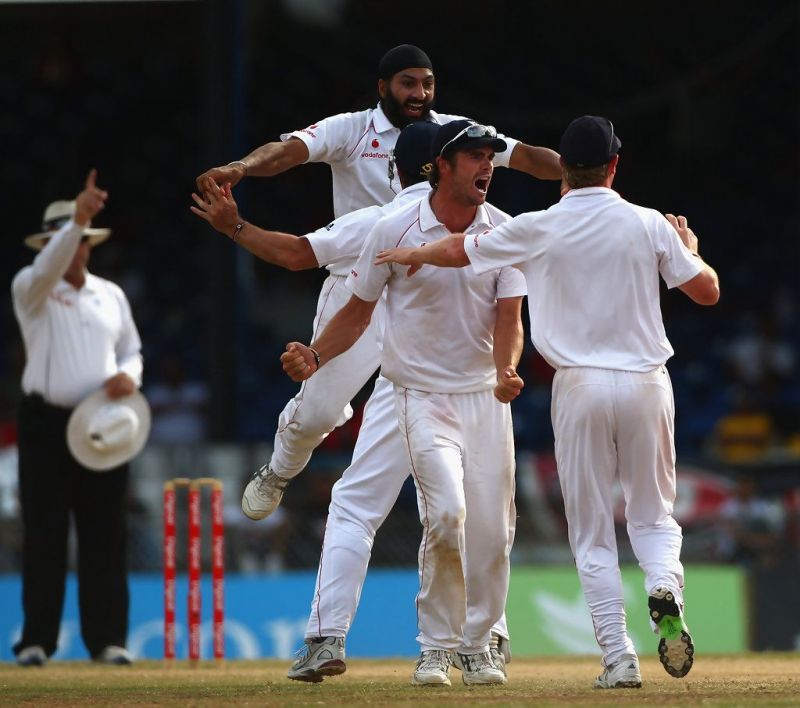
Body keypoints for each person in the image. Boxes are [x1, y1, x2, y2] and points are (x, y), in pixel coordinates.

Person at [375, 115, 721, 688]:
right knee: (652, 516)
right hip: (647, 383)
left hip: (579, 384)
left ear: (564, 170)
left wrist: (410, 255)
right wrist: (690, 249)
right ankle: (663, 583)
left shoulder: (541, 225)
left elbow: (461, 250)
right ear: (614, 166)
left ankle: (619, 658)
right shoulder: (648, 224)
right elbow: (706, 291)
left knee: (590, 532)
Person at [193, 122, 515, 681]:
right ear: (439, 165)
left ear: (395, 169)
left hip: (407, 385)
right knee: (477, 513)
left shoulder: (379, 219)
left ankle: (326, 637)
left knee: (363, 508)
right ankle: (484, 637)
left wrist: (235, 226)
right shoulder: (431, 222)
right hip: (431, 386)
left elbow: (296, 254)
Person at [195, 44, 560, 522]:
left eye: (427, 83)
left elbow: (529, 156)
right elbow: (287, 153)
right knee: (318, 415)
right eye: (408, 83)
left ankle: (435, 515)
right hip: (359, 282)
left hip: (434, 289)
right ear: (383, 86)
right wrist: (240, 168)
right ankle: (281, 469)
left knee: (445, 406)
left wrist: (585, 179)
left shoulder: (454, 133)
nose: (419, 93)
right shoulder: (352, 129)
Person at [281, 120, 527, 686]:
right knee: (446, 514)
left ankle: (482, 640)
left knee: (493, 529)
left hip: (482, 399)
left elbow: (509, 317)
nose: (488, 165)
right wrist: (316, 355)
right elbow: (356, 309)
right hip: (415, 391)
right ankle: (437, 647)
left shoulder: (505, 230)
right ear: (440, 164)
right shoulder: (389, 224)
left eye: (492, 156)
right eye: (475, 157)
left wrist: (505, 368)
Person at [11, 170, 144, 667]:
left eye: (83, 241)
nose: (76, 250)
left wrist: (130, 375)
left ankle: (108, 641)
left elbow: (132, 349)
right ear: (51, 245)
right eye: (68, 241)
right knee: (44, 534)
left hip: (103, 423)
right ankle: (36, 642)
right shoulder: (32, 286)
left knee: (105, 534)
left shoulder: (109, 294)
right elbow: (46, 270)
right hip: (47, 423)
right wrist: (77, 220)